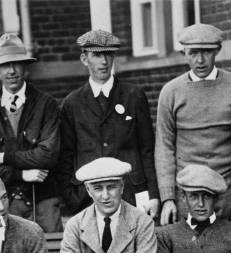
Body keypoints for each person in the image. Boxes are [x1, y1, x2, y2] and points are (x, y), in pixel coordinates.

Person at [58, 30, 160, 219]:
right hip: (89, 196)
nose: (104, 62)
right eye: (96, 55)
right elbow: (66, 156)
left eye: (108, 55)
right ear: (84, 59)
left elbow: (147, 149)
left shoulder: (133, 95)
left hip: (131, 190)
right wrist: (72, 196)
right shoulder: (72, 103)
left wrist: (153, 194)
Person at [0, 34, 62, 232]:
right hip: (5, 205)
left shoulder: (46, 104)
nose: (11, 71)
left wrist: (3, 157)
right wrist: (21, 174)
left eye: (17, 64)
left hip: (44, 201)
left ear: (26, 67)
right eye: (4, 65)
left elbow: (48, 155)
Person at [155, 24, 231, 225]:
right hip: (188, 193)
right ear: (184, 53)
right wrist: (168, 197)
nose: (200, 60)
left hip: (230, 189)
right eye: (193, 53)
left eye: (206, 52)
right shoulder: (171, 92)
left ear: (217, 51)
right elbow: (164, 147)